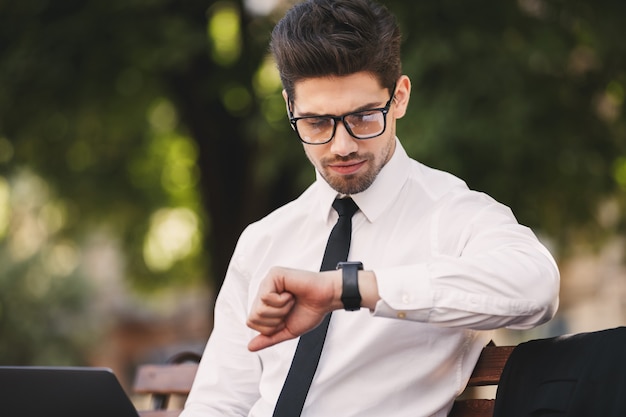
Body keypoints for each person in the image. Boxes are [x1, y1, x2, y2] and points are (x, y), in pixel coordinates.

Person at [180, 0, 560, 416]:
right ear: (290, 108)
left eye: (363, 116)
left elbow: (537, 285)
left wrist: (349, 289)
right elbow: (220, 402)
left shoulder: (452, 214)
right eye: (317, 122)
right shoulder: (263, 240)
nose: (342, 146)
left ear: (399, 97)